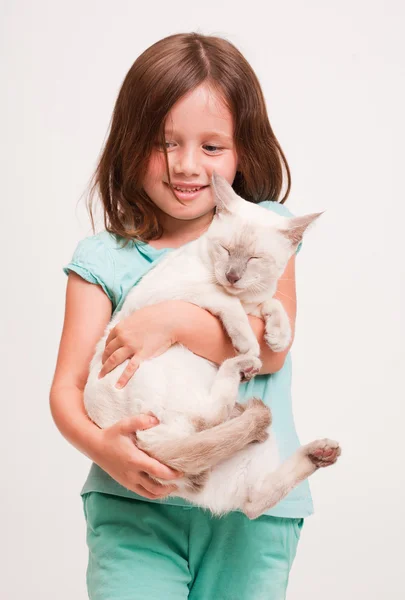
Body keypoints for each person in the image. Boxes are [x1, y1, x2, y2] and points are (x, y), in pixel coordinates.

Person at [50, 32, 313, 600]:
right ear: (129, 143)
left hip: (252, 509)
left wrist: (168, 321)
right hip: (134, 499)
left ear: (244, 150)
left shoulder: (265, 230)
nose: (187, 165)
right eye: (165, 144)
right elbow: (67, 389)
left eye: (211, 147)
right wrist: (104, 452)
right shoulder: (103, 258)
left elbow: (269, 347)